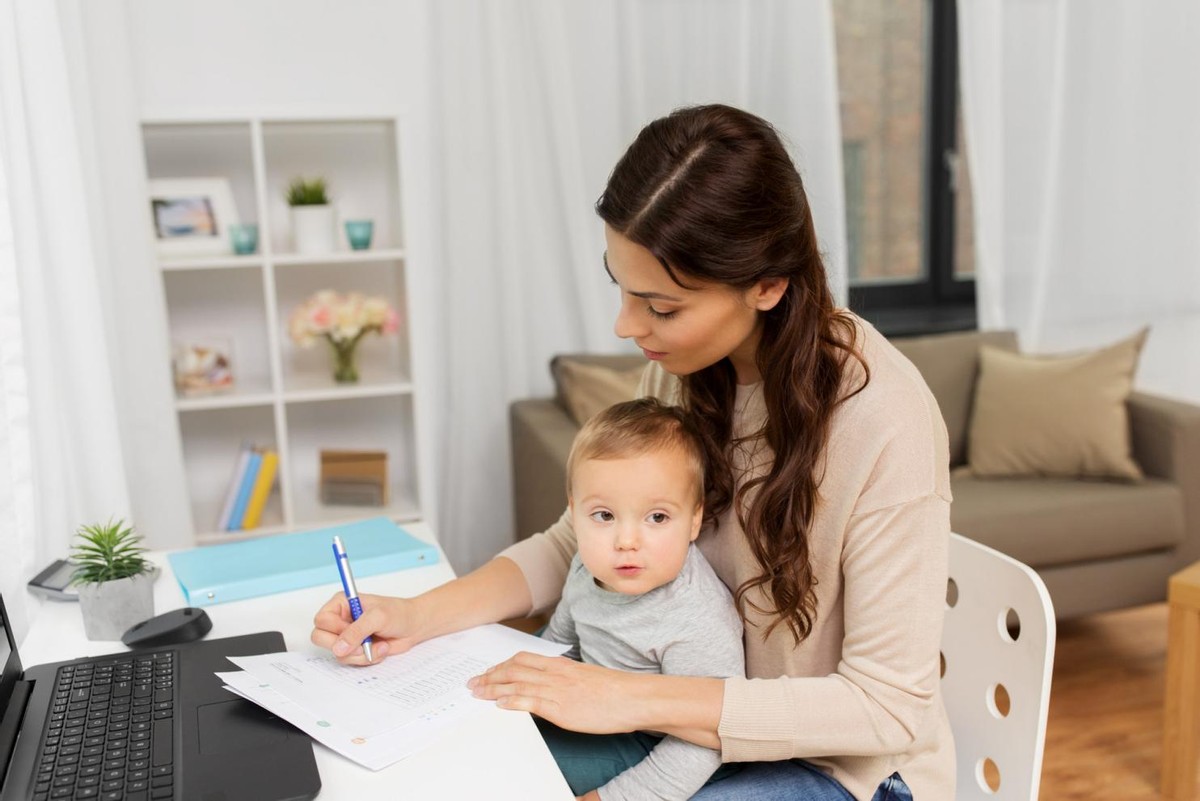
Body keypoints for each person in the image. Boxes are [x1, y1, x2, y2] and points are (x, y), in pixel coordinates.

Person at [312, 103, 952, 801]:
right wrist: (417, 614)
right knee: (471, 762)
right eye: (622, 288)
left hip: (841, 769)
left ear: (767, 285)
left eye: (662, 306)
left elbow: (885, 705)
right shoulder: (685, 371)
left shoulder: (884, 418)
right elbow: (573, 541)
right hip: (683, 728)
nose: (626, 325)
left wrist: (630, 698)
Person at [538, 397, 744, 800]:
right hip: (594, 702)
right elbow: (563, 633)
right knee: (498, 730)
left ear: (695, 520)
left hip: (660, 744)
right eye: (604, 516)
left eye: (657, 518)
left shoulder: (695, 619)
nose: (626, 542)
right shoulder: (587, 564)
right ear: (575, 513)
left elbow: (708, 740)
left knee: (536, 766)